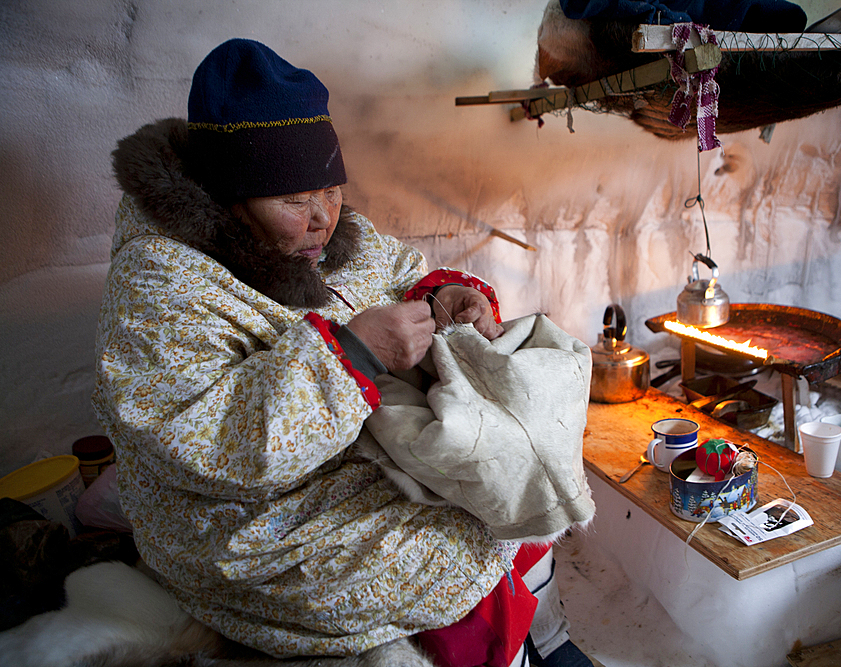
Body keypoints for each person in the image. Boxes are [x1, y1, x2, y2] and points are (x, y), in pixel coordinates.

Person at [92, 38, 594, 667]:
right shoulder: (161, 284)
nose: (322, 218)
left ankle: (541, 639)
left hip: (346, 461)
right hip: (245, 523)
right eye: (295, 199)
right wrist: (353, 354)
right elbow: (202, 444)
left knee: (512, 474)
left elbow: (394, 268)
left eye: (331, 189)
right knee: (461, 534)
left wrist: (444, 296)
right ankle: (509, 648)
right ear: (228, 196)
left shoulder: (324, 237)